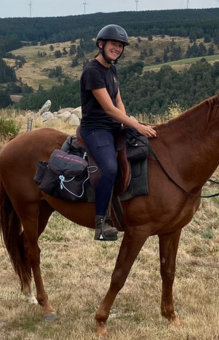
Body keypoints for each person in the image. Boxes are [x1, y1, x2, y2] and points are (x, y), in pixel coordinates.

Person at [80, 24, 157, 241]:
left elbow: (118, 101)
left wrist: (127, 123)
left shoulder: (111, 69)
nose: (117, 49)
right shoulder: (92, 71)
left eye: (121, 46)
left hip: (113, 126)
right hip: (96, 129)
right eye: (114, 44)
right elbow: (108, 108)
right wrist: (136, 125)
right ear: (101, 44)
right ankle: (101, 222)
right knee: (110, 168)